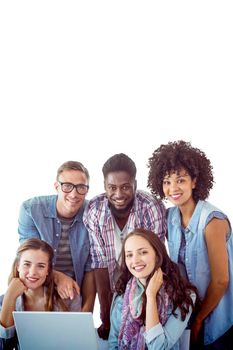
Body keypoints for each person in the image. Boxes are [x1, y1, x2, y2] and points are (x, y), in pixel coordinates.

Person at [147, 140, 233, 349]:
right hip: (188, 314)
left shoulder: (212, 221)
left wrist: (199, 318)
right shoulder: (169, 217)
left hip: (218, 317)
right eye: (167, 181)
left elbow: (221, 280)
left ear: (194, 181)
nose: (173, 188)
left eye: (181, 180)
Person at [84, 153, 167, 339]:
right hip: (114, 288)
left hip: (146, 285)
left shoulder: (150, 207)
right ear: (104, 186)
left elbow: (156, 260)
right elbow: (100, 265)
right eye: (112, 187)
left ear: (135, 185)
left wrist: (146, 308)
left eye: (125, 187)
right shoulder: (94, 210)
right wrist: (105, 316)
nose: (118, 194)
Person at [18, 161, 95, 312]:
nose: (74, 194)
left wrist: (85, 314)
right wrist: (58, 277)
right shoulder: (31, 210)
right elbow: (28, 257)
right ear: (56, 187)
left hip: (71, 294)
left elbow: (90, 269)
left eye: (81, 187)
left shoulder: (94, 214)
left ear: (86, 190)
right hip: (36, 287)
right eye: (67, 186)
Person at [108, 229, 197, 349]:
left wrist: (150, 296)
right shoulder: (121, 293)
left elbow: (158, 347)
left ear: (157, 254)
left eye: (143, 252)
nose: (135, 260)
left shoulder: (183, 296)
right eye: (129, 255)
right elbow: (113, 344)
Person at [0, 238, 82, 349]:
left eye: (41, 266)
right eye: (27, 264)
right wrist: (9, 297)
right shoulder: (3, 301)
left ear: (48, 270)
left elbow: (77, 343)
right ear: (18, 266)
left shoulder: (68, 298)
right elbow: (4, 347)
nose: (33, 272)